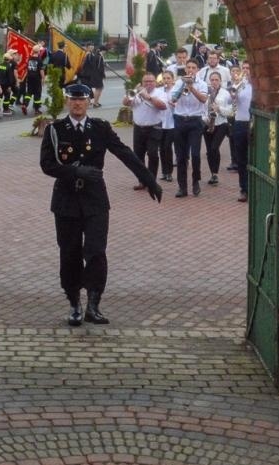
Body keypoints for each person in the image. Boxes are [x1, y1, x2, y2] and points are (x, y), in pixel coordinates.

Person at [41, 81, 162, 326]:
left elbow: (124, 153)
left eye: (82, 99)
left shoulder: (100, 128)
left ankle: (93, 305)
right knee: (70, 253)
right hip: (66, 202)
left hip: (95, 200)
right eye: (73, 99)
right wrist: (76, 172)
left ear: (88, 102)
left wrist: (149, 179)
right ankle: (74, 303)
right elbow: (47, 165)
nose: (77, 103)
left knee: (96, 252)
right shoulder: (55, 130)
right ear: (67, 101)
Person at [168, 59, 209, 197]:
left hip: (195, 122)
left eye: (193, 67)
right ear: (185, 69)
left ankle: (196, 181)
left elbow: (203, 99)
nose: (190, 70)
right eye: (188, 67)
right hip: (180, 120)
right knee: (180, 156)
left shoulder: (202, 84)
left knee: (196, 155)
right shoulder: (179, 82)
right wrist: (183, 85)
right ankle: (182, 187)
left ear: (197, 69)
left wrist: (191, 87)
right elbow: (173, 99)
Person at [123, 72, 170, 187]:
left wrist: (148, 97)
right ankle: (142, 181)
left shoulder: (160, 92)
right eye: (146, 82)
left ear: (155, 83)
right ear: (142, 83)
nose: (148, 84)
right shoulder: (137, 92)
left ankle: (151, 180)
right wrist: (133, 93)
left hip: (154, 127)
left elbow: (163, 106)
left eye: (151, 81)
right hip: (139, 128)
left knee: (153, 153)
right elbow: (125, 103)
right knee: (138, 156)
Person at [229, 64, 255, 202]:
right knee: (241, 158)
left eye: (249, 68)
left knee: (255, 158)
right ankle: (244, 189)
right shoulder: (240, 84)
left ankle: (255, 188)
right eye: (244, 68)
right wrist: (234, 90)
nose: (246, 71)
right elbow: (230, 100)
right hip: (240, 123)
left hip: (255, 123)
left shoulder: (258, 85)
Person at [22, 41, 47, 116]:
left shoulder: (30, 58)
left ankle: (25, 105)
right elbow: (41, 70)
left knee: (29, 92)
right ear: (39, 52)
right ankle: (36, 110)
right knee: (37, 93)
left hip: (29, 77)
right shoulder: (39, 60)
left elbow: (27, 68)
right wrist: (43, 78)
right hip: (36, 78)